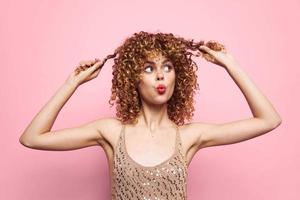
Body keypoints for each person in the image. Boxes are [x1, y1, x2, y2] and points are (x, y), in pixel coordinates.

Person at [19, 31, 282, 200]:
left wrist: (230, 64)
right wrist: (71, 84)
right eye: (148, 68)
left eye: (167, 67)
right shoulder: (111, 132)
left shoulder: (189, 136)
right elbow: (32, 138)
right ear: (133, 79)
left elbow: (269, 119)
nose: (160, 75)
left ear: (177, 77)